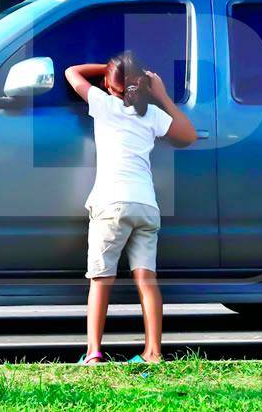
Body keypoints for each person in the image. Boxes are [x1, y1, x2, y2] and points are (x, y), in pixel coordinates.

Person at [65, 51, 197, 364]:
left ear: (110, 86)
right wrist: (159, 92)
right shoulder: (152, 114)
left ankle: (94, 353)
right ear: (142, 85)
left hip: (111, 204)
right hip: (145, 206)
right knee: (147, 280)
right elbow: (188, 136)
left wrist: (112, 70)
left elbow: (72, 71)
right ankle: (153, 353)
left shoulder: (104, 103)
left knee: (101, 280)